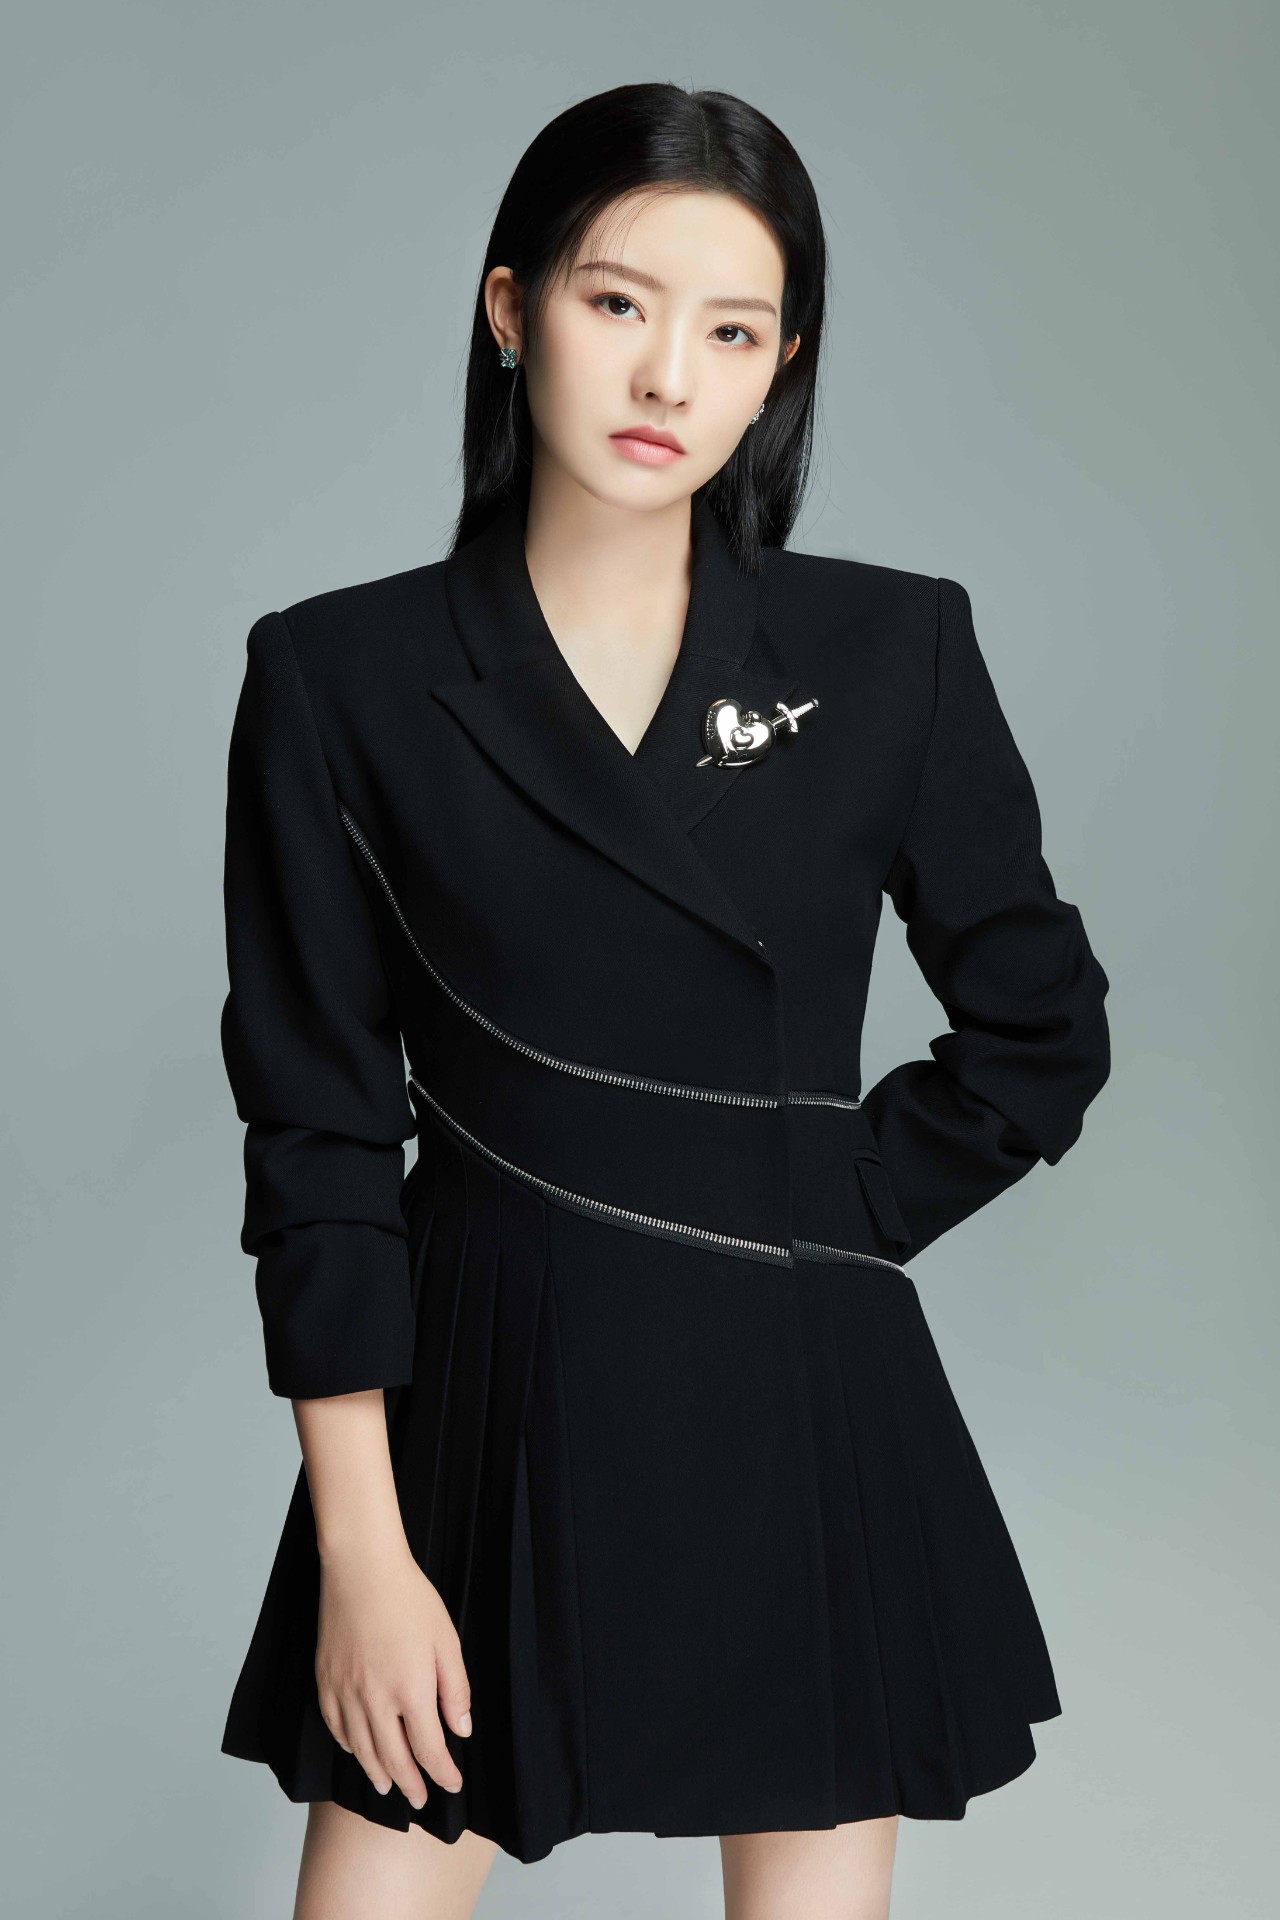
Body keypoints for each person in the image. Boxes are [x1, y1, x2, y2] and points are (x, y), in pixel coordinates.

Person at [217, 81, 1111, 1920]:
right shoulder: (338, 676)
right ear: (510, 308)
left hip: (799, 1398)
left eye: (733, 332)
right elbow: (318, 1137)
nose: (666, 377)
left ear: (782, 369)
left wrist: (819, 1202)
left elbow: (1041, 1033)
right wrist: (363, 1552)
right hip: (473, 1413)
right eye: (617, 301)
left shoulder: (891, 647)